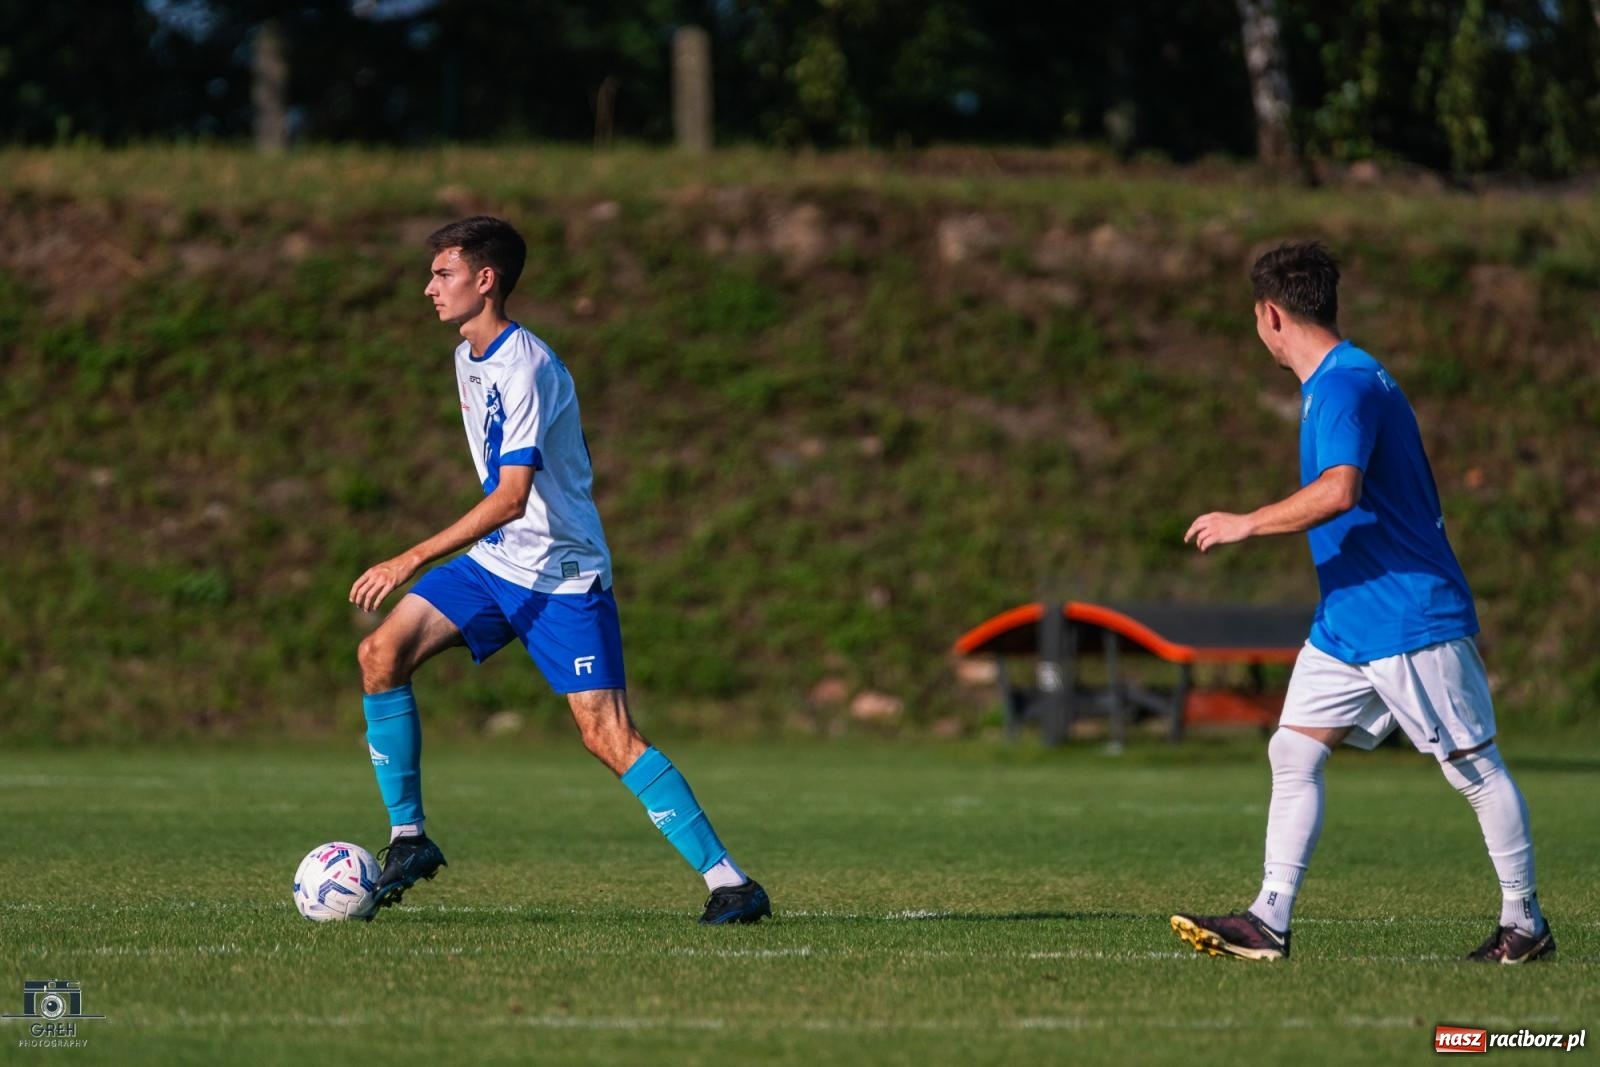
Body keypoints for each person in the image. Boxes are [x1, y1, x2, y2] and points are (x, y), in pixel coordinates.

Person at [348, 216, 770, 925]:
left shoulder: (528, 365)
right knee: (380, 653)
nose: (429, 288)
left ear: (486, 281)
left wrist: (412, 553)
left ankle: (732, 882)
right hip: (495, 565)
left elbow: (512, 498)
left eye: (442, 274)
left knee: (606, 735)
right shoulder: (465, 355)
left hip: (561, 574)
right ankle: (409, 838)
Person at [1169, 242, 1552, 964]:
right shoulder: (1338, 380)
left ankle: (1524, 922)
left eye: (1256, 318)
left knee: (1473, 766)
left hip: (1406, 615)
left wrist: (1247, 521)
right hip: (1349, 617)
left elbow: (1340, 488)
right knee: (1293, 749)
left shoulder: (1345, 385)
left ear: (1272, 315)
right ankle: (1269, 917)